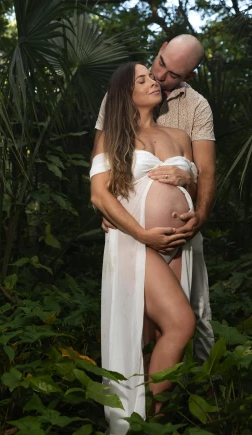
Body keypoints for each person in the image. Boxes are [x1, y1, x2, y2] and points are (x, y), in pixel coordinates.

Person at [90, 62, 202, 435]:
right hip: (136, 241)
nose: (152, 81)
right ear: (125, 94)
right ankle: (149, 428)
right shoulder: (115, 137)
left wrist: (188, 186)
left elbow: (198, 180)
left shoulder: (179, 134)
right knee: (181, 324)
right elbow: (99, 195)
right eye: (141, 80)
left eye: (152, 77)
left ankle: (153, 434)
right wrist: (138, 232)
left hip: (180, 244)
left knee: (153, 337)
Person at [91, 35, 216, 364]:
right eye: (158, 65)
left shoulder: (194, 110)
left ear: (188, 77)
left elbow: (204, 171)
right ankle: (140, 408)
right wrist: (107, 210)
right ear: (159, 49)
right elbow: (100, 174)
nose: (159, 77)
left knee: (188, 319)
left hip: (182, 237)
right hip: (135, 236)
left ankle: (178, 402)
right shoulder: (119, 102)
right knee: (148, 325)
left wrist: (197, 214)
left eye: (172, 74)